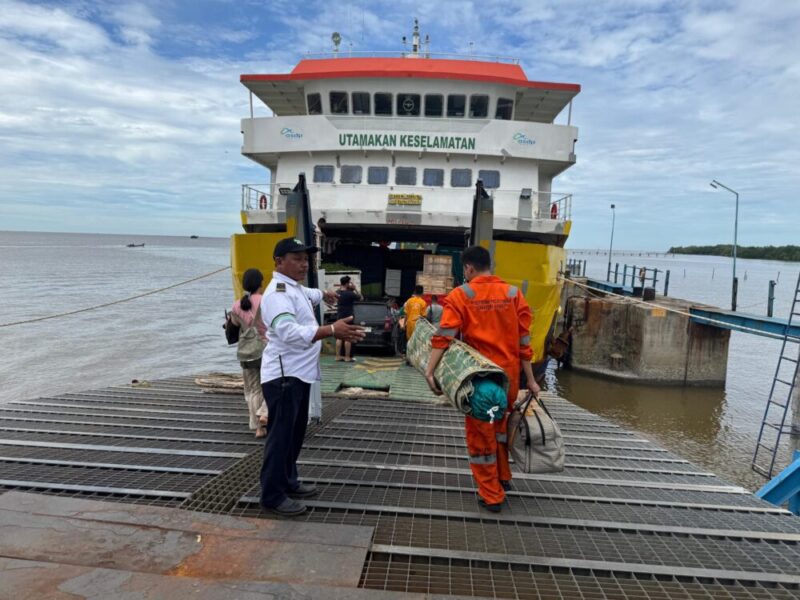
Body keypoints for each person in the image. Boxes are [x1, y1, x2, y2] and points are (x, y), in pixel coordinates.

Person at [424, 245, 540, 513]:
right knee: (499, 431)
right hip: (508, 380)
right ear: (489, 266)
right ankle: (503, 478)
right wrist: (531, 381)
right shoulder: (513, 294)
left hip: (481, 381)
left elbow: (445, 336)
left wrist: (430, 371)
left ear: (468, 268)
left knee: (481, 438)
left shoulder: (461, 295)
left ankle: (491, 495)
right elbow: (525, 343)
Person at [259, 237, 365, 516]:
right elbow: (288, 332)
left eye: (306, 259)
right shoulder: (277, 294)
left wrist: (325, 294)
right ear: (279, 262)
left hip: (300, 375)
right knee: (280, 437)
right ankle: (272, 495)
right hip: (284, 376)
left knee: (294, 435)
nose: (304, 263)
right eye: (296, 258)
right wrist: (331, 331)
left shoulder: (295, 288)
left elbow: (309, 294)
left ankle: (288, 481)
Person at [230, 268, 268, 438]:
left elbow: (234, 325)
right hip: (267, 348)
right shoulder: (266, 301)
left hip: (247, 351)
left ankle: (258, 427)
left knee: (253, 389)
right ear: (261, 282)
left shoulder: (237, 305)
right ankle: (264, 413)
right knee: (274, 383)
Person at [335, 275, 362, 362]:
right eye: (350, 282)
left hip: (339, 316)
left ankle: (338, 356)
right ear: (347, 283)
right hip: (349, 317)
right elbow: (361, 298)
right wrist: (355, 289)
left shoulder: (337, 292)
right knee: (348, 337)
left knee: (339, 337)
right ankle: (347, 357)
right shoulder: (350, 293)